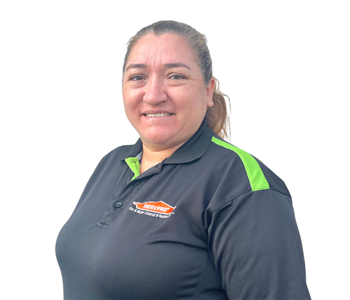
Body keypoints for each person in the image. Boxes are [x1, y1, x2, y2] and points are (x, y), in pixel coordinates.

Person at [55, 20, 311, 300]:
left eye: (175, 76)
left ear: (208, 90)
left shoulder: (241, 186)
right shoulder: (112, 163)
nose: (153, 95)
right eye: (137, 77)